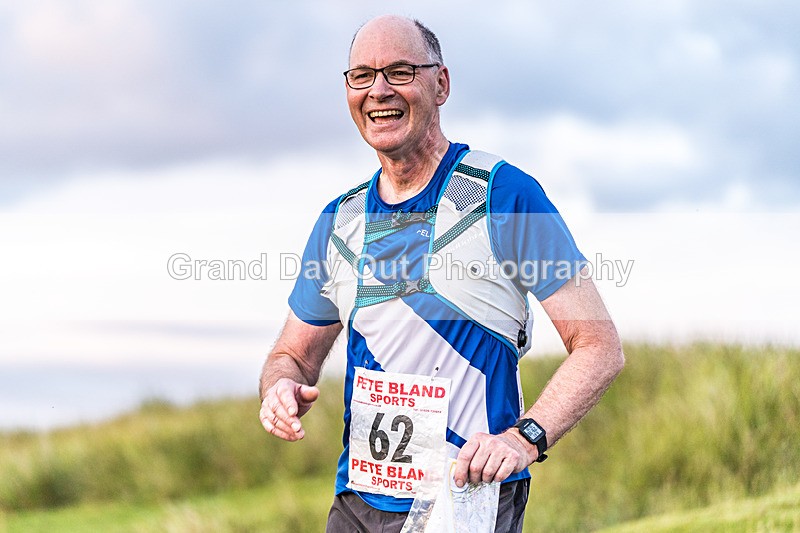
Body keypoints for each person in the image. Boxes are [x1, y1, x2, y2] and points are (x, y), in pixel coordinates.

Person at [259, 14, 624, 533]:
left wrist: (523, 439)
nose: (378, 90)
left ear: (441, 84)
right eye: (362, 76)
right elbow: (293, 356)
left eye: (400, 71)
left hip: (466, 499)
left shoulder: (503, 194)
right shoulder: (339, 220)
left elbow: (599, 346)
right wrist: (280, 388)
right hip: (358, 504)